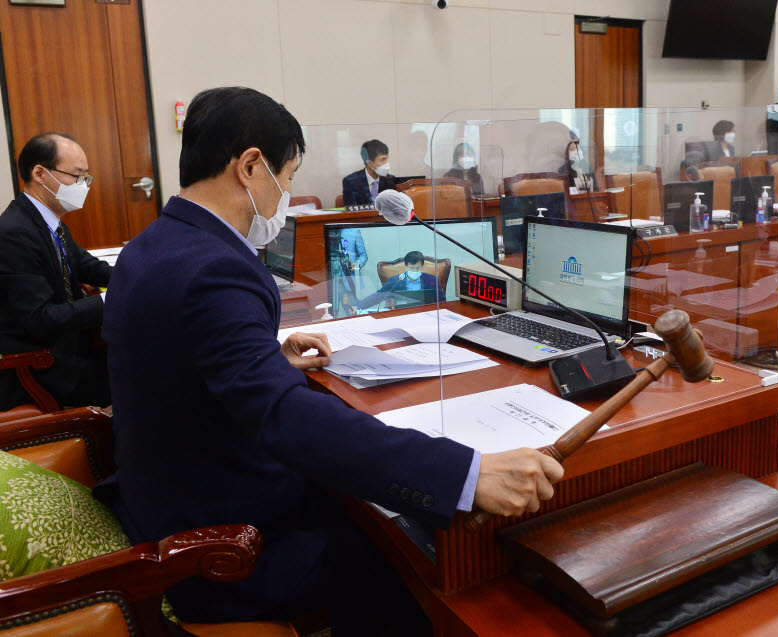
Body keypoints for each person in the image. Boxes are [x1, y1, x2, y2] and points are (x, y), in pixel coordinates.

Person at [93, 87, 562, 633]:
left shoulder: (155, 243)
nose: (287, 194)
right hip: (216, 545)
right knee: (402, 559)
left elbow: (173, 359)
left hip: (163, 497)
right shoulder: (215, 270)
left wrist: (266, 359)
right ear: (250, 166)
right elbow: (284, 419)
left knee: (368, 501)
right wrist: (467, 472)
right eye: (287, 176)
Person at [0, 133, 112, 411]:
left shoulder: (48, 220)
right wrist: (108, 301)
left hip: (67, 346)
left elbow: (88, 267)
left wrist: (138, 273)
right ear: (40, 173)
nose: (83, 186)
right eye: (76, 176)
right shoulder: (14, 232)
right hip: (42, 364)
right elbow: (41, 319)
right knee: (142, 373)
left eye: (86, 177)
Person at [348, 249, 445, 314]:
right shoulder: (396, 280)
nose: (415, 271)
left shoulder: (431, 279)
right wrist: (358, 307)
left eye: (418, 268)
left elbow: (442, 301)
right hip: (403, 315)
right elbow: (379, 296)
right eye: (412, 268)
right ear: (406, 266)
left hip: (426, 315)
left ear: (422, 267)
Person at [341, 139, 395, 205]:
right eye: (383, 159)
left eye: (387, 158)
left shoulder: (390, 180)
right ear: (369, 163)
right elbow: (351, 212)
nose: (386, 163)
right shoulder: (351, 182)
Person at [329, 227, 367, 317]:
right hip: (331, 282)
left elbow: (363, 255)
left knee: (352, 314)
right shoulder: (327, 231)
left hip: (348, 281)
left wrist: (358, 263)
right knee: (330, 315)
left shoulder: (354, 231)